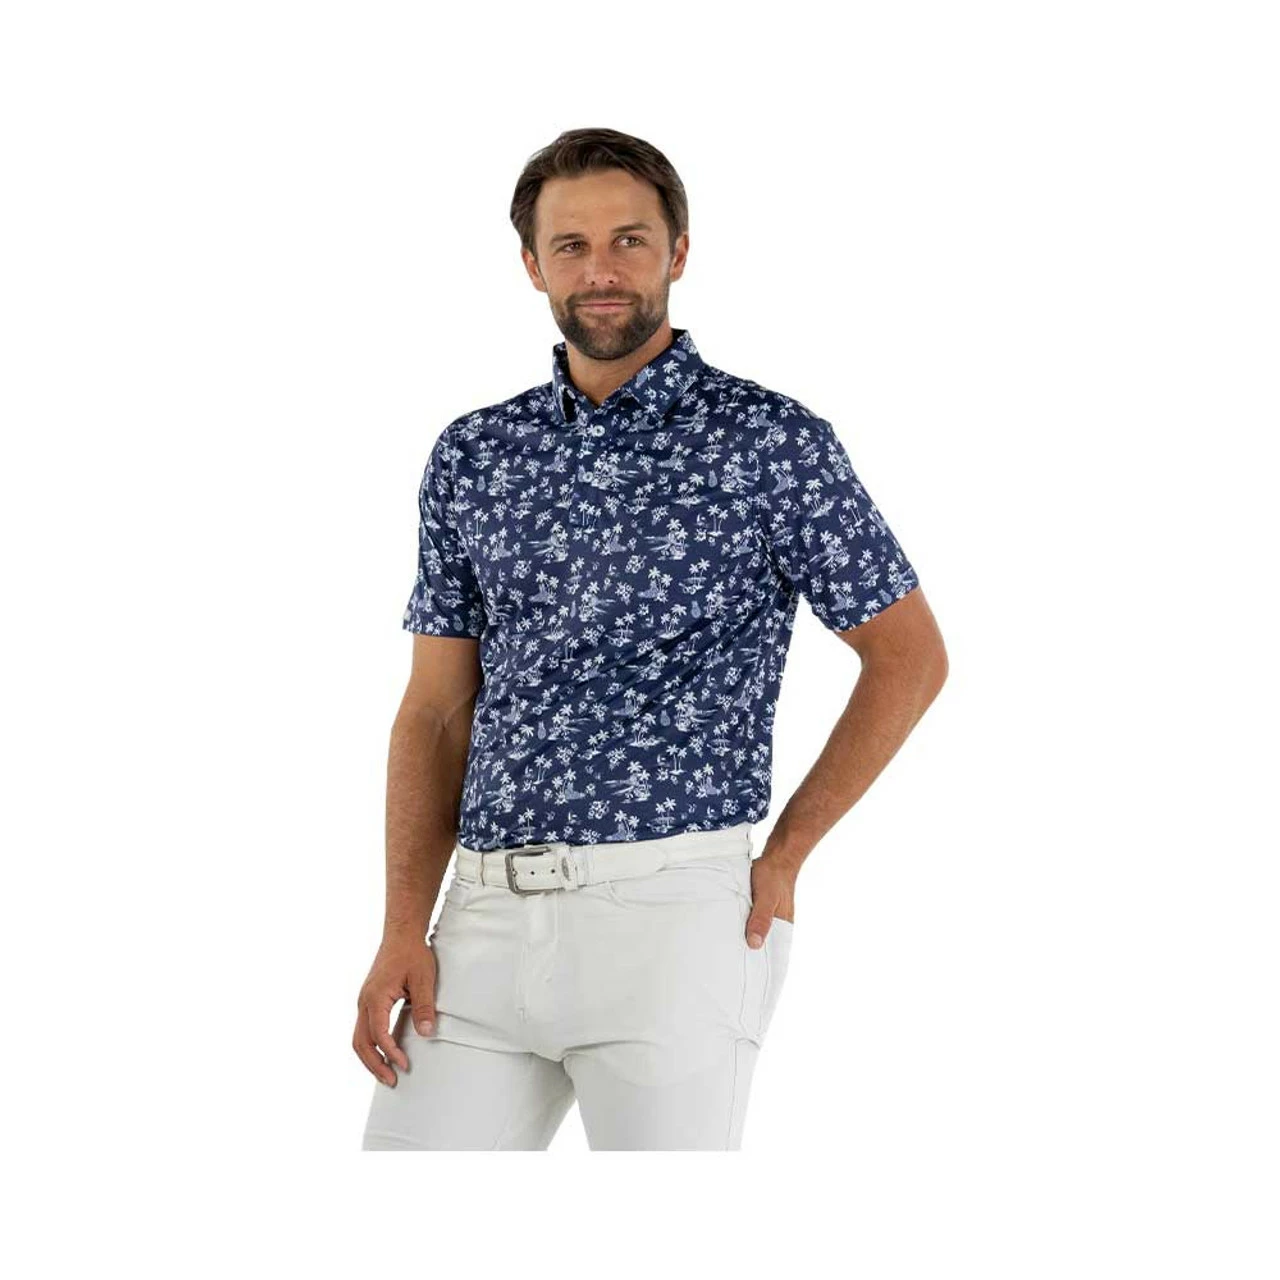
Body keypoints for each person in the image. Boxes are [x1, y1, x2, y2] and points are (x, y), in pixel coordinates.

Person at [355, 126, 948, 1150]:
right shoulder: (475, 454)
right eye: (572, 245)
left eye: (628, 240)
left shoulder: (768, 441)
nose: (601, 269)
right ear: (533, 264)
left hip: (675, 917)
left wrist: (785, 854)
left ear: (677, 251)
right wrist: (403, 923)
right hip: (482, 918)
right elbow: (436, 707)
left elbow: (908, 656)